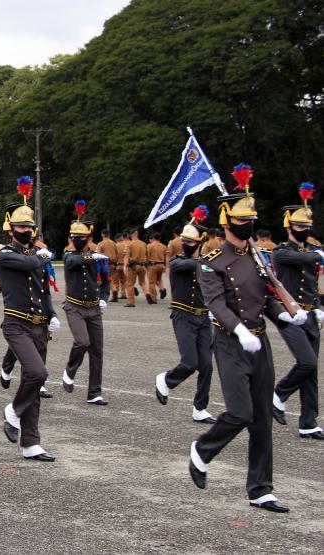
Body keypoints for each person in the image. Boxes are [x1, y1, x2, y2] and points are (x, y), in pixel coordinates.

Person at [189, 163, 305, 513]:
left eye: (250, 218)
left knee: (262, 419)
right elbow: (216, 303)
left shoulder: (258, 256)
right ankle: (202, 450)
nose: (247, 223)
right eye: (241, 219)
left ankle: (260, 488)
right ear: (226, 222)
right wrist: (239, 329)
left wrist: (287, 314)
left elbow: (266, 295)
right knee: (239, 413)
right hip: (230, 341)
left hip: (259, 342)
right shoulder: (211, 261)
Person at [0, 182, 58, 461]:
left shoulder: (34, 255)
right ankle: (13, 411)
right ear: (11, 230)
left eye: (29, 227)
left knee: (32, 383)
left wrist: (52, 314)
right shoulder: (6, 254)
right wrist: (41, 255)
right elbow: (30, 264)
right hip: (17, 323)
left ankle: (31, 443)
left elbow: (42, 288)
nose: (27, 232)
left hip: (39, 325)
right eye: (21, 228)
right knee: (38, 373)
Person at [271, 184, 324, 440]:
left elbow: (313, 282)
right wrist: (317, 254)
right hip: (291, 316)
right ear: (289, 226)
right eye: (300, 227)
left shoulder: (310, 251)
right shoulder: (281, 253)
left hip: (311, 315)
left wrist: (319, 307)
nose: (305, 231)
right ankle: (278, 394)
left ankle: (308, 422)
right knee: (307, 362)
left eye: (307, 227)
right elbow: (307, 260)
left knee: (311, 372)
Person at [154, 206, 216, 423]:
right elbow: (192, 265)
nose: (186, 245)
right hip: (183, 316)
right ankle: (167, 380)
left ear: (200, 242)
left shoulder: (207, 263)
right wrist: (210, 262)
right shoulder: (179, 261)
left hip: (203, 318)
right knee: (189, 362)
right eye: (184, 241)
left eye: (190, 242)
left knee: (207, 366)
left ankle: (200, 408)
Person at [61, 200, 111, 405]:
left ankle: (94, 392)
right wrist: (92, 257)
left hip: (93, 308)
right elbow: (74, 262)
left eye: (80, 237)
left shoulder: (98, 258)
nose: (76, 240)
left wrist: (104, 299)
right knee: (82, 341)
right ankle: (69, 371)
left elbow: (106, 280)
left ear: (89, 237)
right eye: (74, 237)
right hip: (74, 306)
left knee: (97, 351)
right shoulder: (69, 255)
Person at [123, 228, 148, 307]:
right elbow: (147, 256)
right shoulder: (144, 244)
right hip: (142, 266)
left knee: (129, 284)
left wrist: (125, 266)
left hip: (133, 266)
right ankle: (147, 293)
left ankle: (131, 302)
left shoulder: (130, 244)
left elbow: (126, 256)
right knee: (143, 283)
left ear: (131, 235)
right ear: (137, 234)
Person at [97, 229, 119, 302]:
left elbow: (98, 255)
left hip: (104, 264)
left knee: (104, 280)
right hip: (113, 264)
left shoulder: (100, 244)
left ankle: (103, 295)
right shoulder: (114, 243)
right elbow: (117, 254)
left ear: (102, 235)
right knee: (111, 279)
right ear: (109, 235)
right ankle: (115, 291)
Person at [145, 232, 167, 303]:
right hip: (161, 265)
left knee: (151, 283)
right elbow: (166, 257)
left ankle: (153, 298)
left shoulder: (149, 246)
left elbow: (147, 256)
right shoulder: (163, 246)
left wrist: (147, 265)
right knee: (159, 279)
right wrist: (165, 266)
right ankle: (162, 289)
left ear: (153, 238)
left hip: (153, 265)